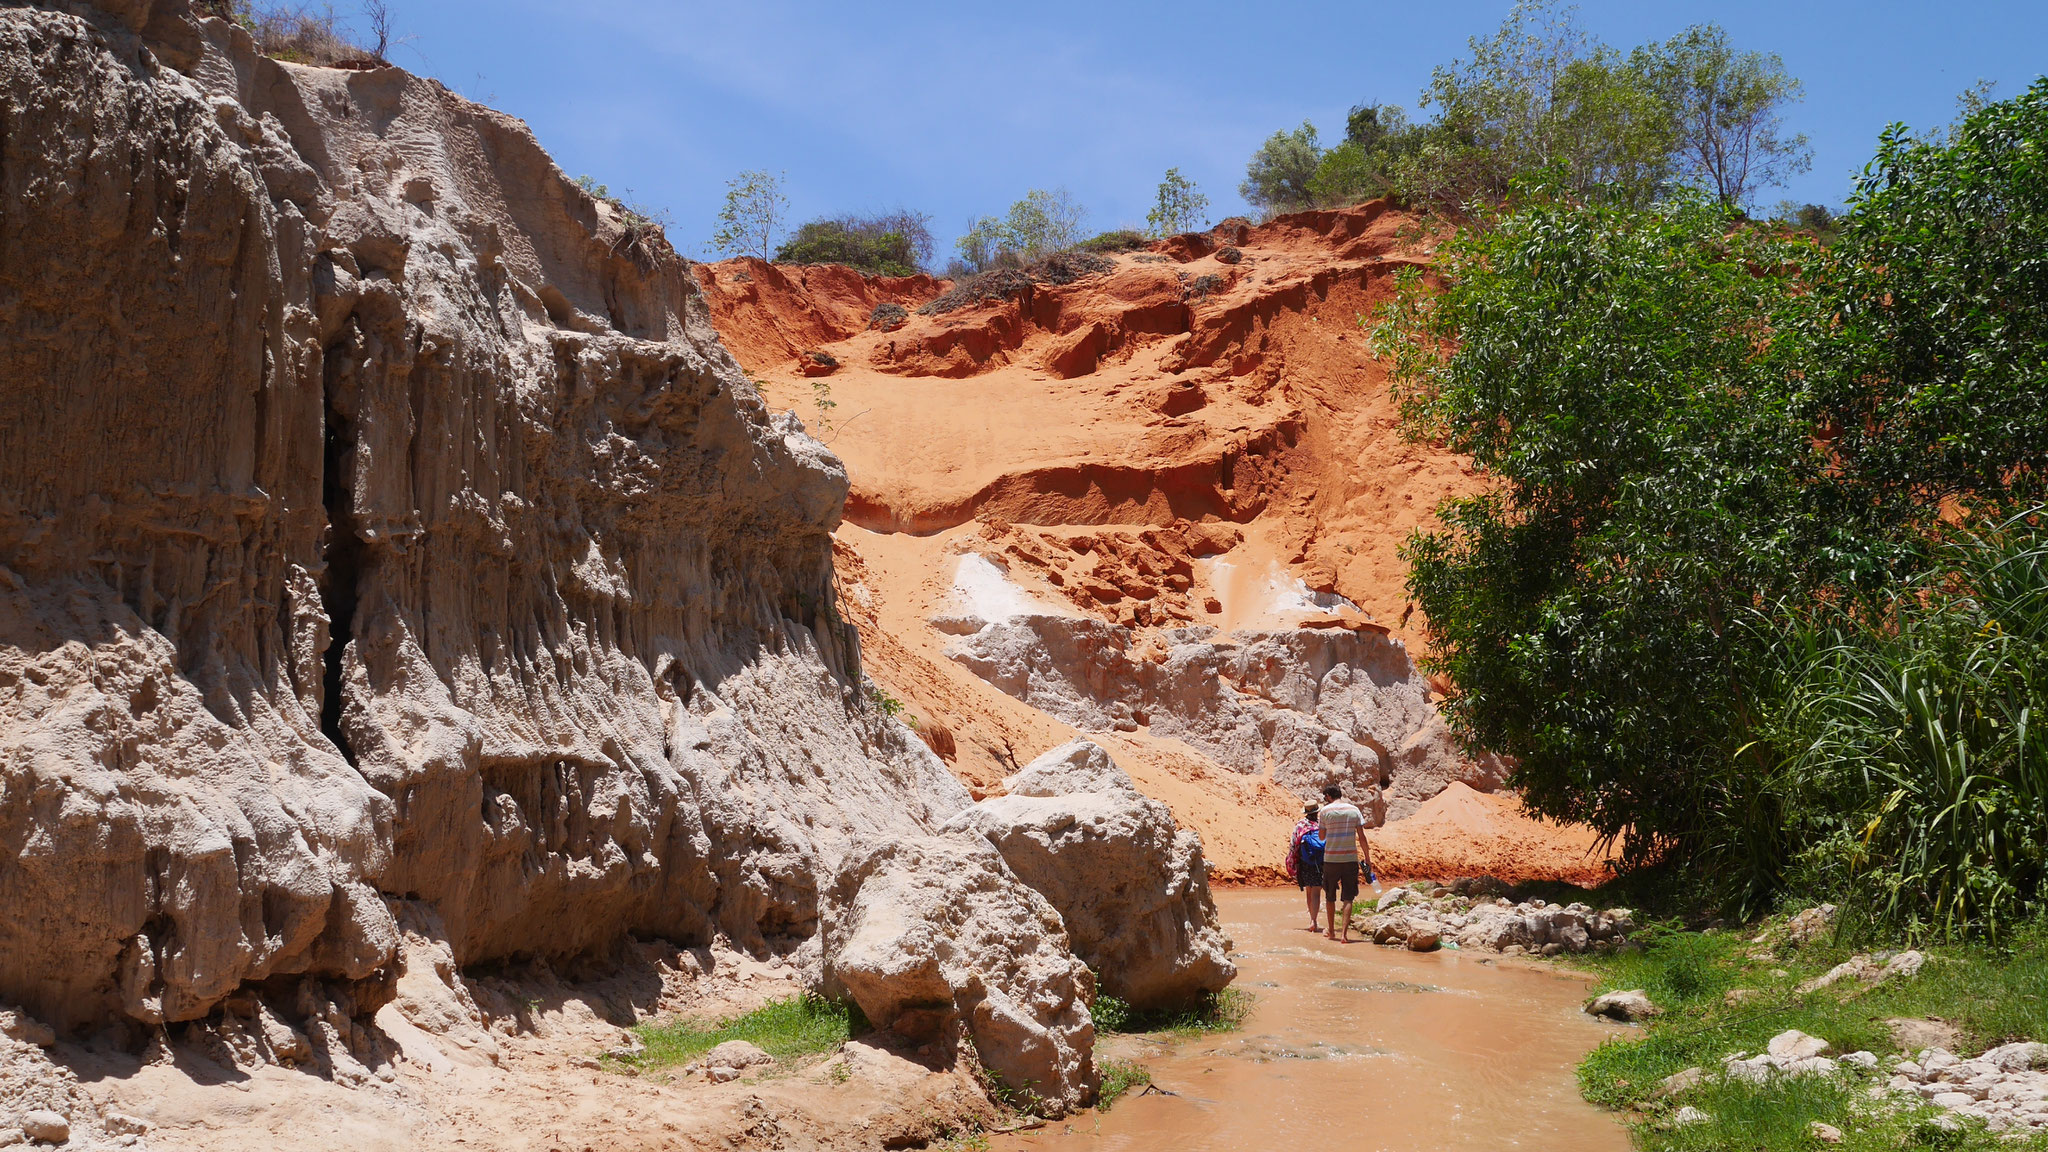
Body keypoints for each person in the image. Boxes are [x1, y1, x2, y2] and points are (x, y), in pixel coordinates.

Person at [1317, 784, 1374, 943]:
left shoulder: (1324, 812)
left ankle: (1332, 932)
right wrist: (1367, 858)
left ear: (1328, 796)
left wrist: (1330, 828)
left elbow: (1321, 837)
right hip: (1350, 859)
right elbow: (1362, 837)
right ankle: (1344, 934)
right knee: (1348, 898)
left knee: (1330, 897)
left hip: (1331, 860)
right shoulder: (1354, 810)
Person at [1285, 803, 1324, 930]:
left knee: (1309, 889)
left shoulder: (1301, 825)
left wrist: (1292, 861)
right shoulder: (1321, 825)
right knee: (1317, 891)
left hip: (1305, 862)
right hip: (1320, 862)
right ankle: (1315, 920)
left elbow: (1293, 844)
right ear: (1317, 811)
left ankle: (1311, 919)